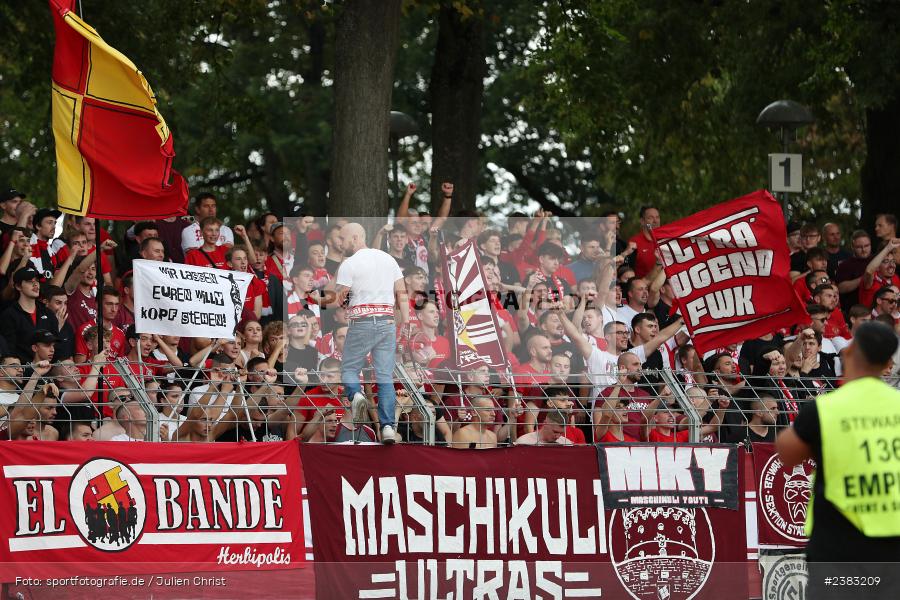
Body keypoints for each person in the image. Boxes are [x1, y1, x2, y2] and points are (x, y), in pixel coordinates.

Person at [777, 321, 900, 599]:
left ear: (850, 352)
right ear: (887, 364)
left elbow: (786, 453)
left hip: (839, 542)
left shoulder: (826, 408)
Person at [333, 222, 408, 444]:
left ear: (356, 238)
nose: (341, 243)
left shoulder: (349, 263)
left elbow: (340, 299)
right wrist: (405, 320)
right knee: (384, 376)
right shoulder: (388, 259)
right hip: (387, 321)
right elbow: (401, 292)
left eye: (343, 239)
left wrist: (342, 299)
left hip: (362, 322)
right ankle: (387, 427)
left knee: (349, 369)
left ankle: (356, 395)